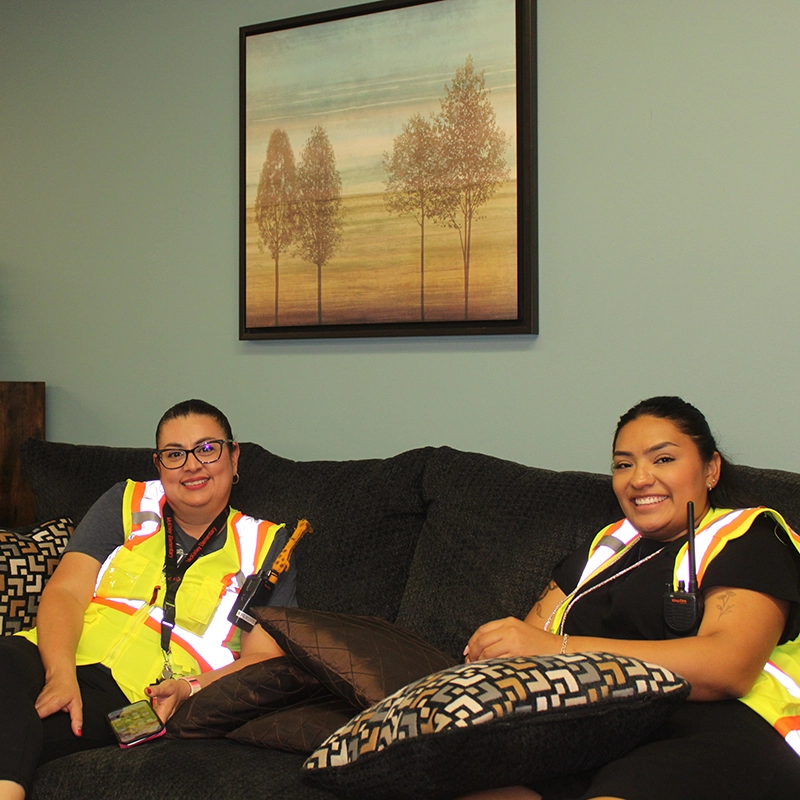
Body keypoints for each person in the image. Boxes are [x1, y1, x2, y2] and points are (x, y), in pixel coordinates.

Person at [463, 396, 800, 800]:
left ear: (710, 469)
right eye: (623, 464)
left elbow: (729, 667)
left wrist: (561, 649)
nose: (639, 478)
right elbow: (526, 645)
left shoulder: (749, 537)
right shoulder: (602, 551)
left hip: (712, 730)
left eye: (662, 460)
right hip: (592, 732)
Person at [0, 399, 298, 800]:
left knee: (33, 729)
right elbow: (67, 591)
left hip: (135, 696)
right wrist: (60, 674)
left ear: (233, 454)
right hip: (50, 652)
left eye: (207, 449)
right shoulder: (126, 502)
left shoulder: (267, 546)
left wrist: (189, 688)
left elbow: (262, 661)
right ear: (159, 464)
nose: (192, 465)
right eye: (175, 454)